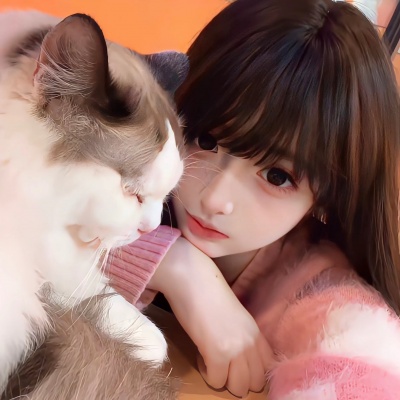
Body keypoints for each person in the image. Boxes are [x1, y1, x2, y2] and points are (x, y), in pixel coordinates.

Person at [108, 0, 400, 398]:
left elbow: (366, 371)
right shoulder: (133, 166)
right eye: (206, 139)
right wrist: (175, 264)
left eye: (277, 176)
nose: (215, 198)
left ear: (327, 198)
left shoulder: (317, 292)